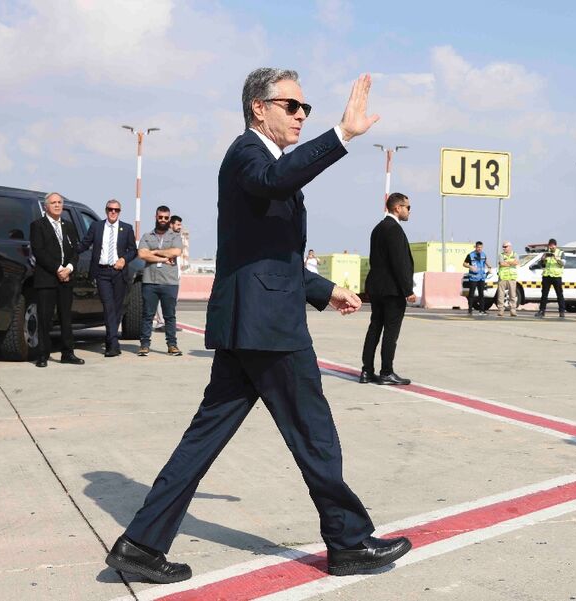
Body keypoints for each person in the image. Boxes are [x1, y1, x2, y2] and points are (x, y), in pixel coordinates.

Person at [105, 69, 411, 584]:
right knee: (314, 434)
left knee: (204, 438)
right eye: (292, 106)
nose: (300, 115)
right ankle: (349, 541)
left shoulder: (266, 163)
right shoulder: (248, 155)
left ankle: (140, 544)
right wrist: (342, 134)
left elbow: (268, 254)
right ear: (258, 108)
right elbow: (278, 180)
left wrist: (324, 289)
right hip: (268, 328)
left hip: (251, 320)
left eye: (305, 109)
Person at [360, 193, 415, 385]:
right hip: (392, 290)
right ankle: (386, 372)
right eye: (408, 207)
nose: (409, 211)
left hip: (376, 287)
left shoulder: (378, 228)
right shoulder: (394, 230)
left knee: (374, 327)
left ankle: (366, 371)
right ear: (397, 208)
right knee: (391, 332)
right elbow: (399, 263)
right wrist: (408, 289)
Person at [29, 192, 85, 367]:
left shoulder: (68, 226)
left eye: (60, 202)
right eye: (53, 203)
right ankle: (43, 355)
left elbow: (75, 250)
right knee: (45, 318)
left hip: (66, 279)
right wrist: (58, 269)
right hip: (47, 278)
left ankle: (67, 353)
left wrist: (69, 268)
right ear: (46, 206)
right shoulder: (38, 226)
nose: (57, 205)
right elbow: (39, 251)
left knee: (66, 318)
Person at [77, 199, 137, 357]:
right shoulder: (97, 227)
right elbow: (84, 244)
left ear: (119, 212)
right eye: (110, 209)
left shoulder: (127, 229)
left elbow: (133, 250)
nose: (113, 212)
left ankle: (110, 340)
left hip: (119, 273)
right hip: (102, 272)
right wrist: (67, 251)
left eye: (116, 210)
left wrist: (124, 259)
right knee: (108, 306)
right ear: (106, 210)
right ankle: (113, 344)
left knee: (117, 309)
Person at [136, 206, 183, 357]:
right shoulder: (147, 236)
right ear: (156, 217)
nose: (163, 220)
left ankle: (172, 345)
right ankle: (144, 345)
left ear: (169, 219)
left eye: (166, 218)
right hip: (150, 281)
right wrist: (163, 258)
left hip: (170, 282)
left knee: (170, 316)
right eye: (160, 217)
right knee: (147, 315)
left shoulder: (175, 236)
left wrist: (154, 251)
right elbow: (142, 254)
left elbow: (176, 252)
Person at [154, 215, 184, 331]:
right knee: (163, 299)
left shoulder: (177, 238)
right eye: (177, 224)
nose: (180, 227)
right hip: (165, 273)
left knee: (171, 300)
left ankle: (168, 323)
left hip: (175, 274)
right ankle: (161, 323)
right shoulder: (165, 237)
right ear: (171, 224)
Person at [535, 238, 566, 319]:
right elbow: (542, 265)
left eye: (552, 247)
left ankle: (562, 311)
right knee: (544, 295)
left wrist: (556, 258)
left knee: (559, 294)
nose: (551, 248)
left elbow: (563, 264)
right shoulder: (546, 253)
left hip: (556, 276)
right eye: (550, 247)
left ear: (555, 245)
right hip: (546, 276)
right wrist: (543, 259)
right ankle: (542, 311)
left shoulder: (560, 253)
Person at [463, 241, 491, 315]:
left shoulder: (483, 254)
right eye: (478, 247)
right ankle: (470, 310)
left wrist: (489, 267)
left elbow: (485, 261)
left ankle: (482, 310)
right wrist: (470, 266)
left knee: (481, 294)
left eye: (481, 247)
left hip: (481, 277)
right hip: (473, 277)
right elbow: (464, 264)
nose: (479, 249)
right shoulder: (470, 255)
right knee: (471, 294)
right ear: (475, 247)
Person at [496, 241, 519, 317]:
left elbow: (516, 262)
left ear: (510, 247)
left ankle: (513, 310)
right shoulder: (501, 255)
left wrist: (507, 262)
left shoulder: (515, 254)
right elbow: (502, 263)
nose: (504, 248)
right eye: (503, 247)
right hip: (502, 277)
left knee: (512, 295)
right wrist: (510, 262)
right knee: (501, 295)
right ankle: (500, 310)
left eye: (505, 247)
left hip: (512, 277)